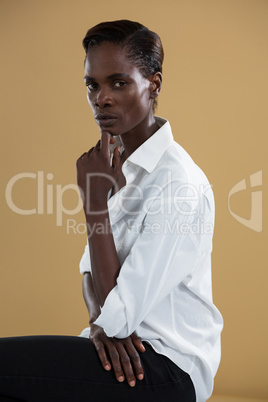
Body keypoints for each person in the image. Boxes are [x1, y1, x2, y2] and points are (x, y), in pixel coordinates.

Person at [0, 20, 223, 402]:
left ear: (154, 85)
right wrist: (98, 322)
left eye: (119, 82)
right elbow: (89, 270)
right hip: (117, 352)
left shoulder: (176, 183)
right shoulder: (116, 164)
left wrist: (94, 204)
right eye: (93, 84)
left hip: (166, 368)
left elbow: (118, 314)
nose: (101, 98)